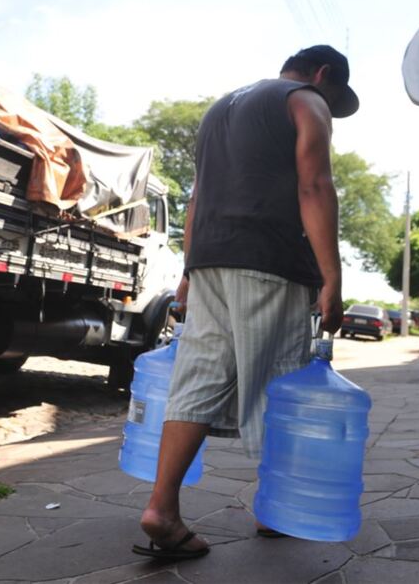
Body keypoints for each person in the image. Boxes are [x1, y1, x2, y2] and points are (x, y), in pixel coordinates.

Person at [133, 45, 357, 560]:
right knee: (277, 383)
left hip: (211, 258)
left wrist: (189, 274)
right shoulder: (306, 101)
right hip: (269, 260)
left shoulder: (221, 109)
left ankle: (161, 509)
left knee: (200, 377)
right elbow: (315, 185)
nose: (331, 105)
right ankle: (275, 508)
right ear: (323, 75)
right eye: (333, 95)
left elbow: (196, 199)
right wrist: (332, 279)